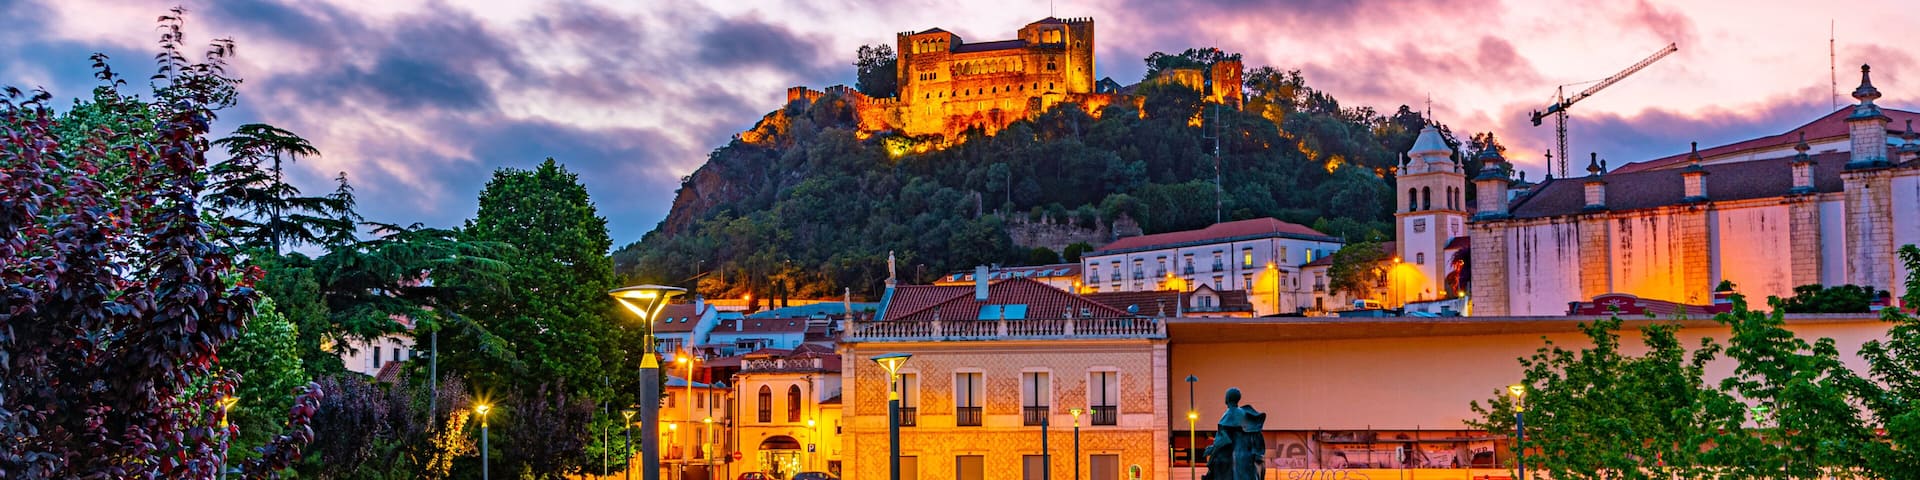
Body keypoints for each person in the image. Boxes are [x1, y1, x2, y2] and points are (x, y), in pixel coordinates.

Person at [1201, 389, 1268, 480]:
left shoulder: (1230, 414)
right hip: (1247, 455)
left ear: (1227, 398)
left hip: (1235, 455)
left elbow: (1225, 439)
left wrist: (1212, 449)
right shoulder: (1244, 413)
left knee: (1216, 461)